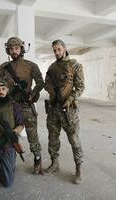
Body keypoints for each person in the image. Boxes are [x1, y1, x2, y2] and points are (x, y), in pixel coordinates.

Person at [0, 37, 44, 174]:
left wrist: (33, 95)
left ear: (21, 49)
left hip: (26, 104)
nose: (14, 51)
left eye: (16, 48)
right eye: (11, 49)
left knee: (32, 134)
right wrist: (7, 83)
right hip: (9, 106)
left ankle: (37, 159)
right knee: (9, 133)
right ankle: (8, 160)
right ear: (8, 50)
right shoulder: (3, 67)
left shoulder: (31, 65)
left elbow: (40, 83)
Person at [44, 39, 85, 184]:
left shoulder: (74, 65)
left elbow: (80, 87)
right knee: (52, 138)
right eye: (54, 50)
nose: (56, 52)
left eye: (59, 49)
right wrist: (52, 93)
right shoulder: (51, 67)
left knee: (74, 139)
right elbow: (46, 83)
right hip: (54, 108)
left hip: (69, 110)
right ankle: (54, 163)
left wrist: (70, 99)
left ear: (65, 48)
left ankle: (78, 169)